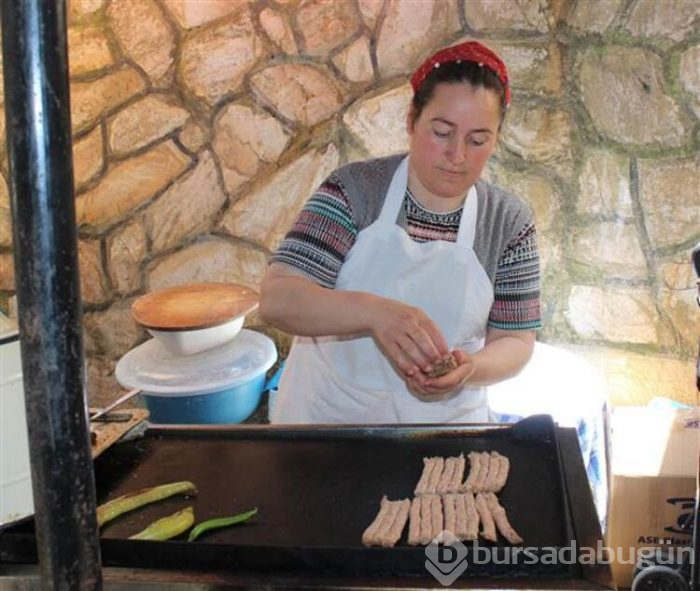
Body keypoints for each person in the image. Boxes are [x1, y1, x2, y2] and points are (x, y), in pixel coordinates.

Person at [260, 41, 541, 424]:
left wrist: (470, 368)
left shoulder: (508, 222)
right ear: (412, 120)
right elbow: (278, 299)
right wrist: (373, 313)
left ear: (496, 138)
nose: (457, 155)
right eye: (442, 132)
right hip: (328, 424)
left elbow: (516, 340)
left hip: (443, 432)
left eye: (477, 140)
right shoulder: (354, 191)